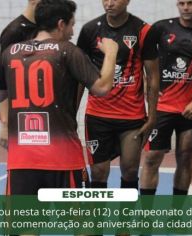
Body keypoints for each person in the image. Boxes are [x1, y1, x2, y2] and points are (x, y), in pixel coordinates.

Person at [0, 0, 118, 194]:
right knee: (76, 223)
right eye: (71, 25)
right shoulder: (68, 51)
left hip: (22, 158)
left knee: (23, 223)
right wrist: (110, 54)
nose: (73, 32)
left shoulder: (10, 53)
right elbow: (102, 88)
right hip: (63, 157)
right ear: (61, 24)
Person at [77, 0, 159, 190]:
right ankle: (96, 220)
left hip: (132, 117)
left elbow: (153, 77)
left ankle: (125, 220)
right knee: (98, 172)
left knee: (130, 170)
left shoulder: (144, 30)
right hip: (98, 115)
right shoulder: (90, 30)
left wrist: (153, 116)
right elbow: (79, 76)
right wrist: (71, 114)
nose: (109, 3)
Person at [140, 0, 192, 196]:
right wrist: (148, 87)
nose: (186, 7)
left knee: (185, 156)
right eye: (181, 3)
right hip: (162, 107)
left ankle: (177, 210)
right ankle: (146, 214)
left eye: (191, 3)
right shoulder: (160, 28)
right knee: (151, 158)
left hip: (189, 110)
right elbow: (142, 58)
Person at [0, 0, 40, 149]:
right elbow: (4, 79)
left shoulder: (45, 27)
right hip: (21, 113)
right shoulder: (14, 32)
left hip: (41, 109)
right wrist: (6, 125)